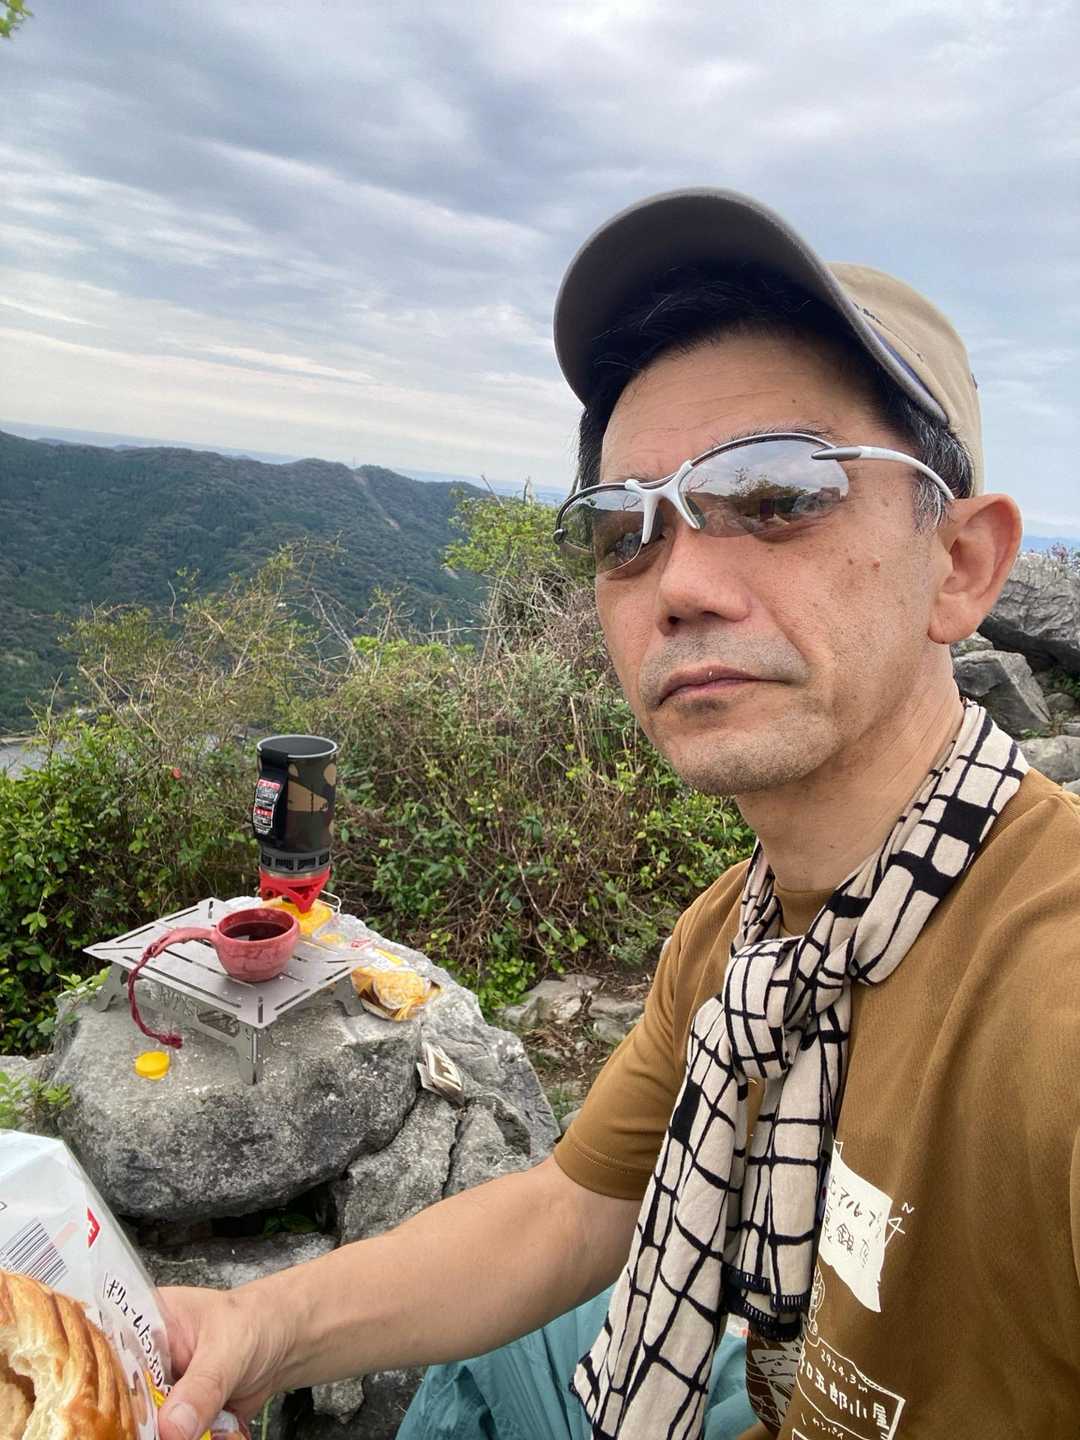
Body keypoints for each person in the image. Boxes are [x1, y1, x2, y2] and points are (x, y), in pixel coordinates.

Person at [157, 190, 1080, 1440]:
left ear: (960, 565)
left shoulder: (1048, 989)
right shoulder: (740, 942)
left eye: (776, 492)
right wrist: (256, 1328)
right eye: (621, 527)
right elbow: (572, 1213)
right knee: (509, 1350)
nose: (680, 582)